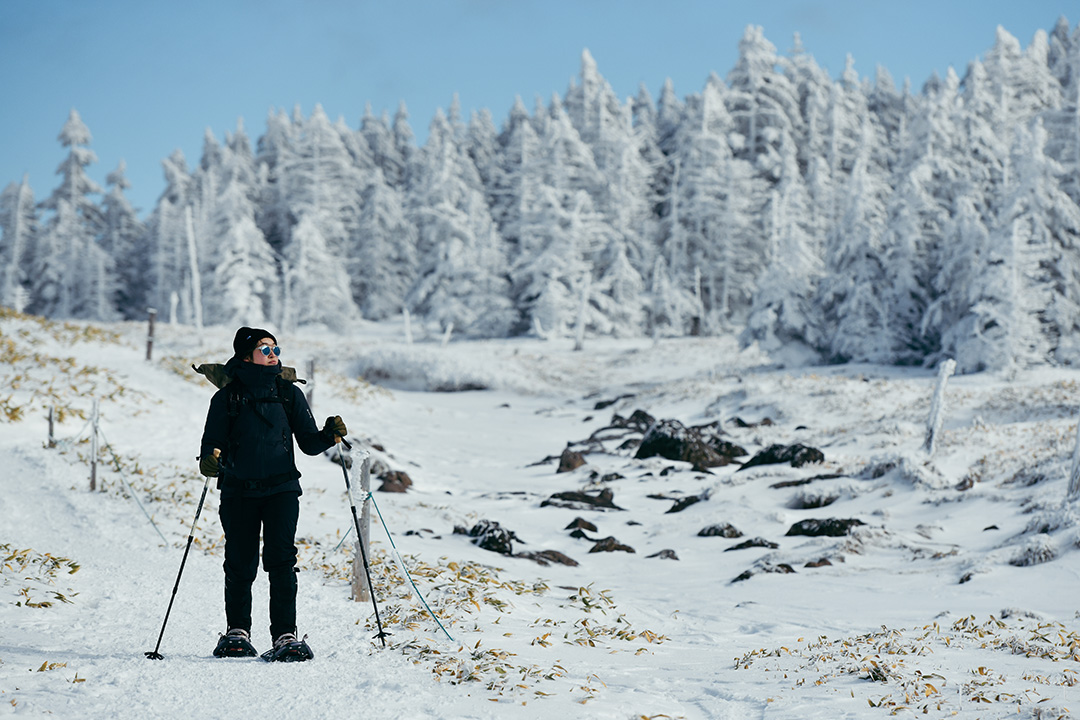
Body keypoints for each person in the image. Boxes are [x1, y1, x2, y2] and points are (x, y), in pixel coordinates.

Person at [198, 327, 347, 661]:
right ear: (246, 355)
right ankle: (236, 633)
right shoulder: (226, 397)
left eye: (275, 348)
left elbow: (308, 444)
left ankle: (285, 637)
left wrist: (329, 435)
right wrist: (209, 461)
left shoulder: (288, 393)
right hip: (237, 491)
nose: (274, 354)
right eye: (265, 350)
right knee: (240, 562)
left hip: (281, 489)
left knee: (281, 561)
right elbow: (211, 445)